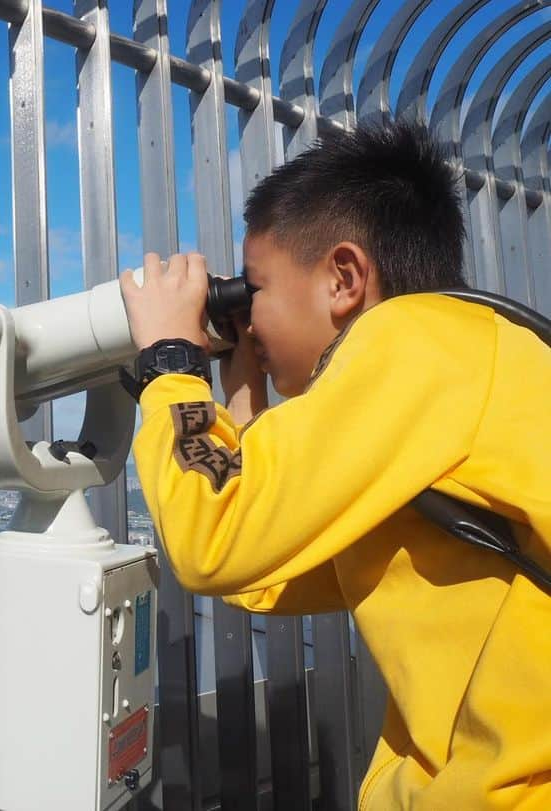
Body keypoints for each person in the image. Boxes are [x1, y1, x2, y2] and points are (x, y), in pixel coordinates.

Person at [119, 121, 551, 809]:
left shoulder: (410, 340)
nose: (246, 320)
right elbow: (265, 563)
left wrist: (170, 363)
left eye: (253, 290)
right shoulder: (455, 367)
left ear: (344, 278)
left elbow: (213, 537)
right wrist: (241, 376)